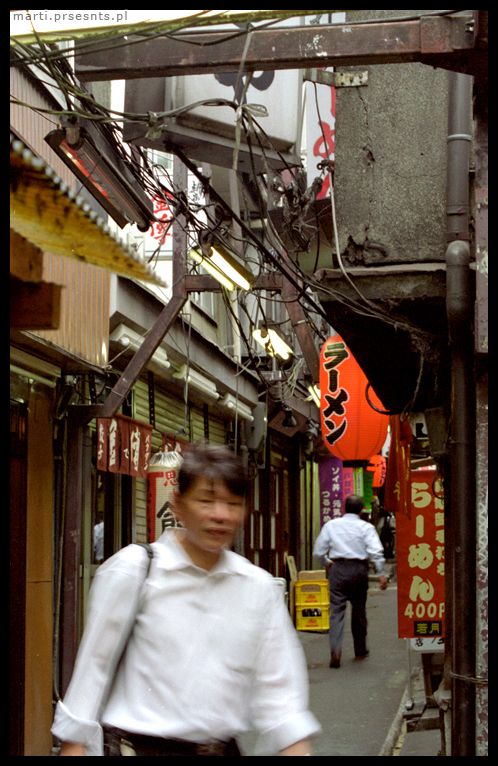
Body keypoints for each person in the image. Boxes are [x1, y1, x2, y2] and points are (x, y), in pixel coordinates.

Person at [52, 443, 321, 757]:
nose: (220, 515)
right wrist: (74, 743)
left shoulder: (257, 587)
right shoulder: (137, 570)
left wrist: (295, 744)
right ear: (178, 504)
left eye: (232, 503)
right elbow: (94, 666)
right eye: (206, 501)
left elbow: (281, 692)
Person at [313, 494, 389, 669]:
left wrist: (327, 563)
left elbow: (318, 551)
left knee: (336, 612)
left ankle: (336, 649)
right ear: (361, 510)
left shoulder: (331, 526)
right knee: (359, 610)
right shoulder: (366, 527)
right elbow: (375, 551)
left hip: (337, 569)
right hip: (358, 570)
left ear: (344, 508)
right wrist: (381, 573)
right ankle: (360, 649)